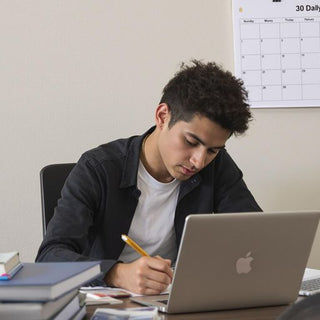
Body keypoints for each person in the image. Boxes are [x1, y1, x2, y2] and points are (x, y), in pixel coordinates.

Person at [36, 60, 262, 295]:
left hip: (179, 301)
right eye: (191, 142)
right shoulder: (98, 168)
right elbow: (49, 258)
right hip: (108, 305)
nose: (199, 161)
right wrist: (116, 274)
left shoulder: (216, 166)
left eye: (213, 150)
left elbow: (256, 234)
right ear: (162, 116)